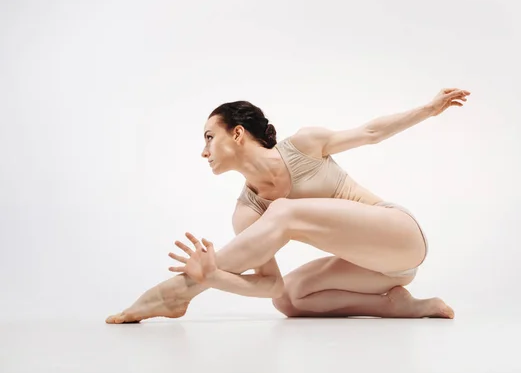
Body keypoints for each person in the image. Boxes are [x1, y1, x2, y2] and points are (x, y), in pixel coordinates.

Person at [106, 88, 470, 324]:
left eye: (209, 137)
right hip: (379, 272)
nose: (203, 151)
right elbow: (270, 287)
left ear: (237, 133)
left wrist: (428, 109)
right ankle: (402, 307)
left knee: (282, 210)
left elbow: (371, 133)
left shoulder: (304, 145)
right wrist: (213, 277)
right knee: (291, 299)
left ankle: (174, 292)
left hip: (401, 236)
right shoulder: (247, 212)